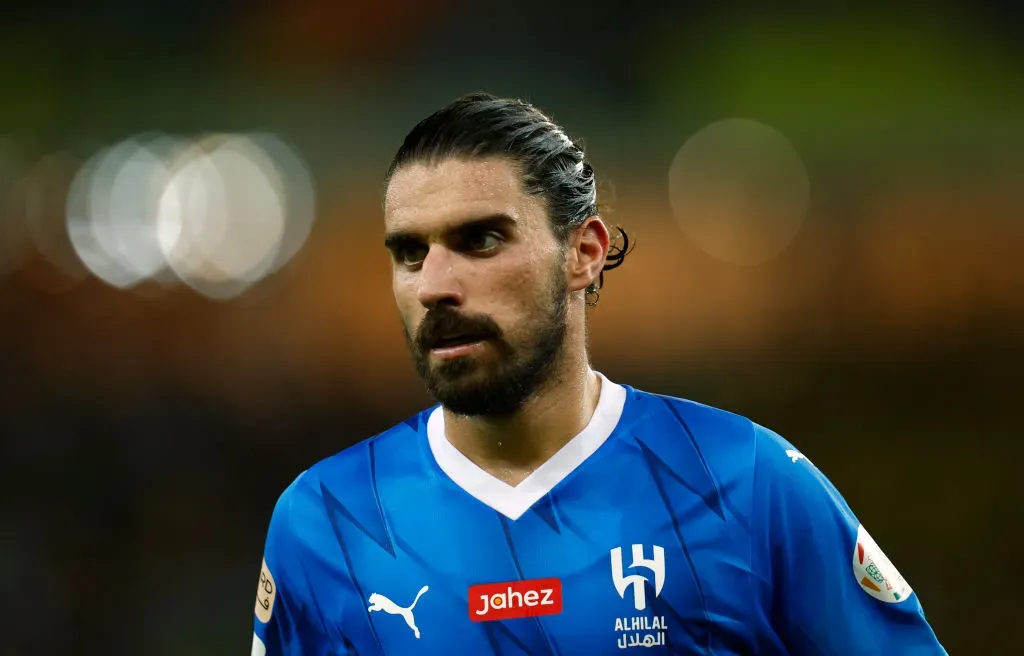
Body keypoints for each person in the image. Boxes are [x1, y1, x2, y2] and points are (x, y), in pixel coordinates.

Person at [251, 92, 947, 655]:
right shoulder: (323, 523)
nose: (435, 283)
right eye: (409, 252)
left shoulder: (750, 482)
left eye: (480, 240)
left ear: (583, 252)